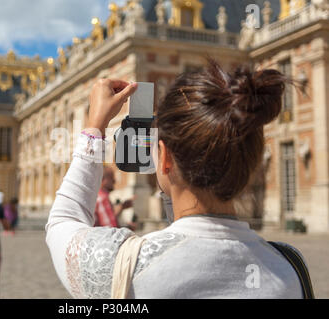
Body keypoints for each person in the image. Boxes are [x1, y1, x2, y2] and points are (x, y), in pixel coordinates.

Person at [45, 58, 310, 298]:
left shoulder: (123, 265)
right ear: (251, 162)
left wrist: (95, 127)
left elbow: (62, 221)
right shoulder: (289, 268)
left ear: (164, 157)